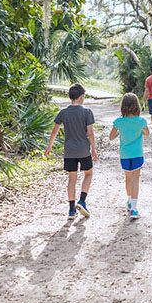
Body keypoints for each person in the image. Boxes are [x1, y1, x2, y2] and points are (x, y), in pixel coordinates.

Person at [45, 83, 97, 219]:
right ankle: (82, 200)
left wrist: (49, 147)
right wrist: (94, 149)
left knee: (72, 179)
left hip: (69, 151)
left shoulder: (63, 112)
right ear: (81, 97)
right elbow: (90, 133)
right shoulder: (87, 112)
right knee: (89, 174)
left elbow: (54, 131)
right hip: (83, 150)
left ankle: (71, 210)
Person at [109, 93, 150, 219]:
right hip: (137, 154)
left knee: (127, 178)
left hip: (124, 155)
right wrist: (139, 130)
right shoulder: (141, 121)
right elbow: (147, 133)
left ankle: (129, 200)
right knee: (135, 179)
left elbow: (111, 137)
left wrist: (120, 133)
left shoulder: (119, 122)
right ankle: (134, 208)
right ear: (137, 106)